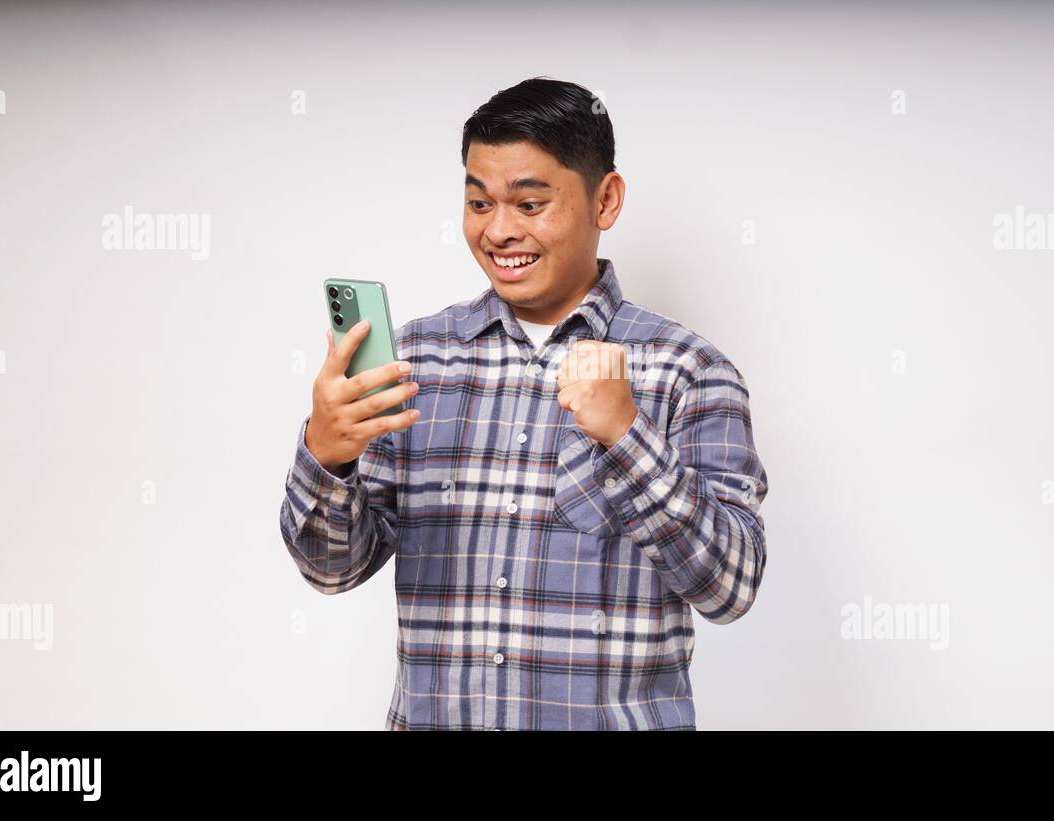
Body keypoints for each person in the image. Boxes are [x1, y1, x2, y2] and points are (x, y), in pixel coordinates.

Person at [279, 76, 769, 730]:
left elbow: (730, 587)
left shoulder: (691, 371)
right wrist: (328, 456)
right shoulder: (415, 360)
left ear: (606, 199)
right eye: (479, 204)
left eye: (530, 203)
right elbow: (332, 571)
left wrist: (627, 435)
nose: (499, 231)